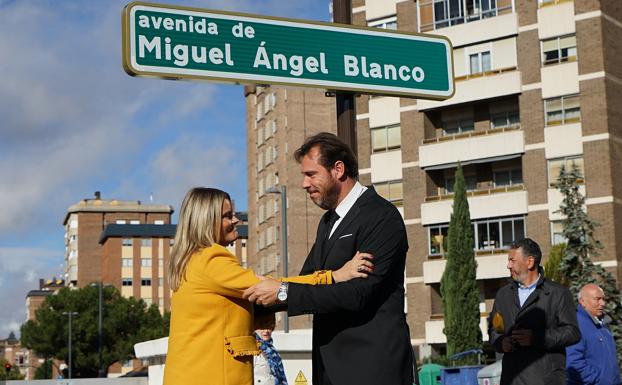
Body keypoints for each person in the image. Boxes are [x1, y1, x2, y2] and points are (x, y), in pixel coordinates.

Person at [244, 132, 415, 385]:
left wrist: (282, 292)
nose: (304, 184)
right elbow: (306, 282)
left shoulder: (381, 216)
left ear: (338, 169)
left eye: (311, 174)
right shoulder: (328, 222)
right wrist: (250, 298)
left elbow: (357, 294)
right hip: (330, 370)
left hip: (372, 369)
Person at [162, 187, 373, 385]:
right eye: (227, 216)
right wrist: (333, 276)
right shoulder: (211, 259)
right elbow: (268, 287)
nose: (235, 220)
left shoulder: (190, 261)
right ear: (206, 221)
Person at [488, 238, 580, 385]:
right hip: (511, 378)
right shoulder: (503, 295)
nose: (508, 265)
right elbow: (494, 329)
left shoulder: (558, 293)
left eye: (512, 260)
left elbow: (572, 333)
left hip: (545, 380)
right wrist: (501, 342)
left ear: (530, 262)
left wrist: (537, 338)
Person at [566, 283, 620, 385]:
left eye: (603, 299)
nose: (603, 303)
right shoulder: (576, 325)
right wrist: (598, 380)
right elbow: (573, 363)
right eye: (597, 299)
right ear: (582, 301)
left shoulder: (602, 323)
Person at [254, 319, 287, 385]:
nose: (266, 331)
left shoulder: (272, 350)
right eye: (262, 328)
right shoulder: (251, 349)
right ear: (255, 329)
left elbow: (280, 377)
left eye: (269, 327)